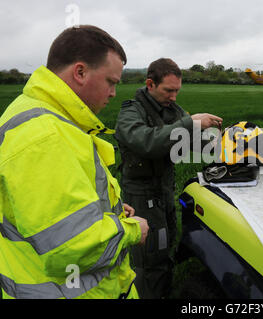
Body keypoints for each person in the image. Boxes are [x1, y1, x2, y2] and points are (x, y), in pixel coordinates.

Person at [0, 25, 149, 299]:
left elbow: (56, 209)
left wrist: (109, 212)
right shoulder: (44, 135)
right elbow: (70, 245)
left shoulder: (48, 117)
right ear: (80, 72)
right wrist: (130, 230)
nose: (114, 92)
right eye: (111, 82)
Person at [114, 58, 222, 298]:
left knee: (167, 244)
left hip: (164, 191)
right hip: (141, 196)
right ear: (150, 84)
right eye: (169, 90)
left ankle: (163, 290)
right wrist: (190, 122)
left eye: (177, 91)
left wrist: (226, 142)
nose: (174, 96)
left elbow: (191, 141)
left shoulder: (173, 110)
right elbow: (146, 142)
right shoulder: (131, 111)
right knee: (148, 256)